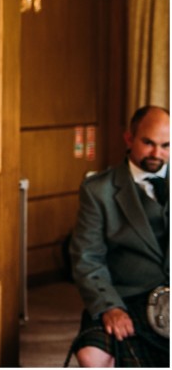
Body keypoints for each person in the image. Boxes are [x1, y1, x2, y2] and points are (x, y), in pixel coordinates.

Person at [69, 105, 169, 367]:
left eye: (166, 145)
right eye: (148, 143)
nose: (157, 154)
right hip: (126, 298)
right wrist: (110, 307)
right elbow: (87, 258)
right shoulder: (98, 190)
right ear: (129, 138)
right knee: (92, 356)